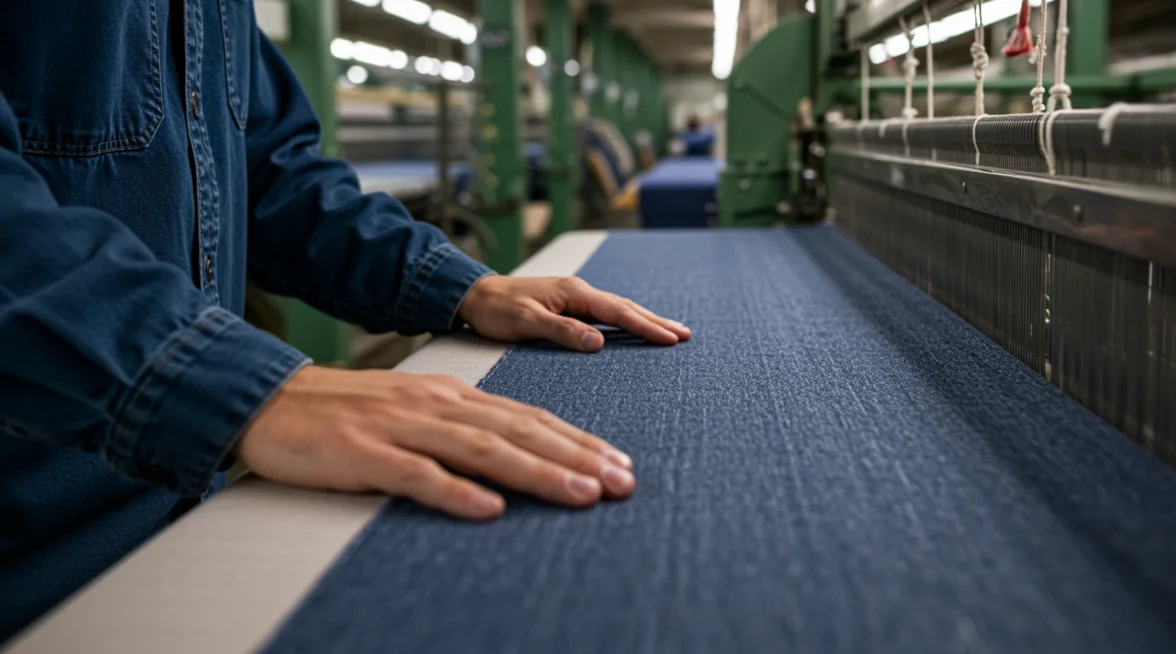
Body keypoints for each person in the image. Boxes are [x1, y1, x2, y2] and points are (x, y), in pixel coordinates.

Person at [0, 1, 690, 642]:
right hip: (40, 557)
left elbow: (272, 177)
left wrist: (459, 285)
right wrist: (229, 382)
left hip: (181, 514)